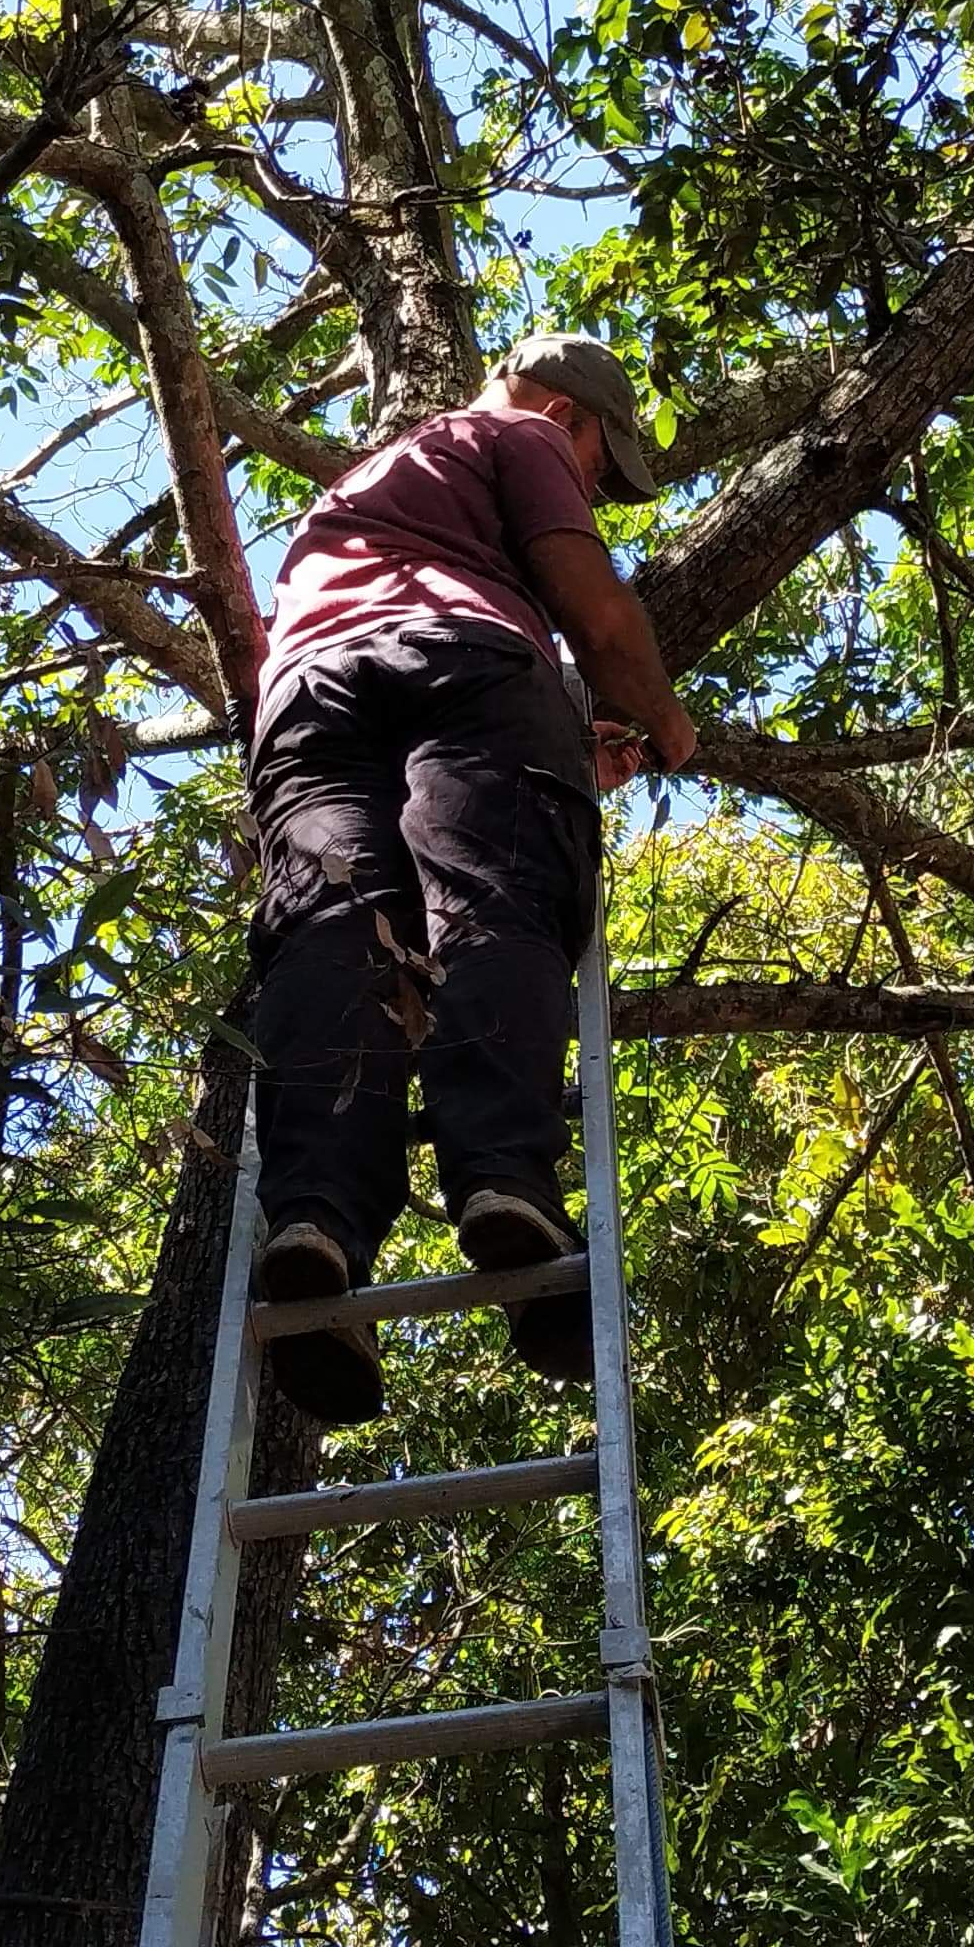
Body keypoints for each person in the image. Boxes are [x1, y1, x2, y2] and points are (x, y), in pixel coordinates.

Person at [245, 335, 699, 1427]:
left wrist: (567, 739)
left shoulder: (357, 492)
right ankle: (503, 1178)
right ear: (566, 412)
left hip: (306, 699)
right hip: (465, 663)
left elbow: (372, 646)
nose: (591, 487)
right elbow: (592, 609)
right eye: (600, 468)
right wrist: (665, 721)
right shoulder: (519, 433)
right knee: (498, 893)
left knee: (332, 924)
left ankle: (315, 1218)